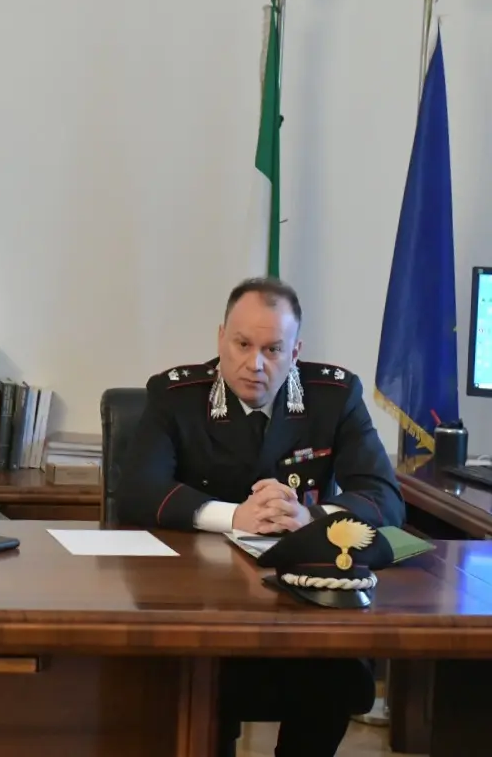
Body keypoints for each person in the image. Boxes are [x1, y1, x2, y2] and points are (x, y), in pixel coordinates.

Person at [117, 276, 405, 757]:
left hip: (300, 603)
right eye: (242, 344)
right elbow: (137, 493)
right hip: (199, 601)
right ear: (220, 339)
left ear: (295, 352)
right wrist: (235, 516)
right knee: (199, 690)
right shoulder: (176, 396)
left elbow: (384, 498)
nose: (254, 364)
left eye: (273, 349)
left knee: (331, 676)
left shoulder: (334, 395)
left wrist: (310, 516)